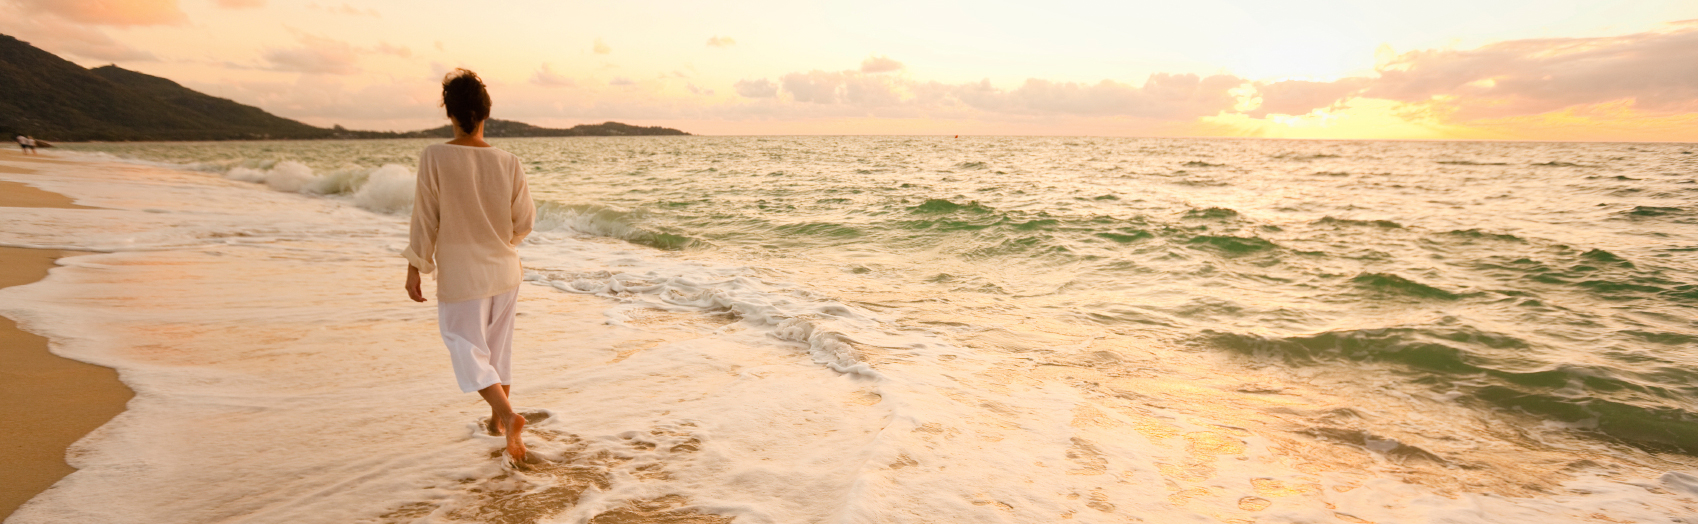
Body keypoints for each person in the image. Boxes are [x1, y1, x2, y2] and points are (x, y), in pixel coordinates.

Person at [402, 68, 536, 462]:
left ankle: (508, 417)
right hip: (506, 271)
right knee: (498, 352)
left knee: (465, 347)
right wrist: (500, 244)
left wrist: (416, 266)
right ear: (486, 113)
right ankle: (497, 424)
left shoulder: (435, 156)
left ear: (450, 113)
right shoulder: (509, 161)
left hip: (462, 274)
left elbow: (425, 217)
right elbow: (525, 221)